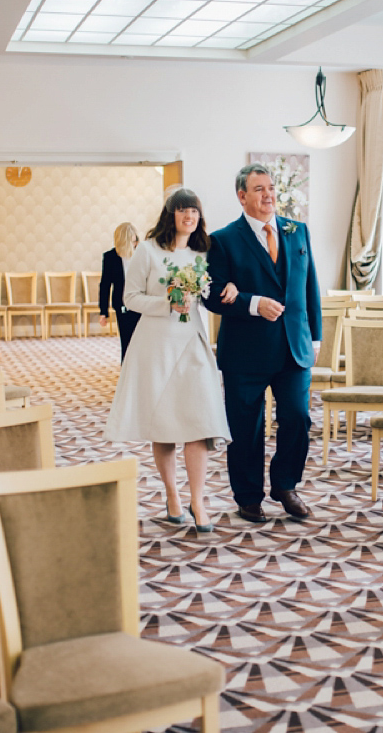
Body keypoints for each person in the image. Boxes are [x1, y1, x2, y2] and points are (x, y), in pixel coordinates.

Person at [103, 189, 231, 531]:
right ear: (170, 214)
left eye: (195, 211)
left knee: (200, 421)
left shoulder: (204, 252)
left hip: (193, 342)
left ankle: (199, 500)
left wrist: (229, 288)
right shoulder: (147, 250)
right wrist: (166, 304)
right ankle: (173, 494)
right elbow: (130, 298)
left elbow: (213, 292)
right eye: (183, 210)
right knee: (165, 424)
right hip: (156, 345)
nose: (189, 216)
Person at [203, 164, 323, 524]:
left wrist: (315, 336)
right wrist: (253, 304)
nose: (268, 194)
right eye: (259, 189)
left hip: (293, 348)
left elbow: (309, 286)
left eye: (271, 188)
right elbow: (210, 295)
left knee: (297, 419)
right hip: (246, 351)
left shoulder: (297, 231)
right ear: (242, 196)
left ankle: (286, 486)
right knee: (246, 427)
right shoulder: (223, 240)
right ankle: (248, 496)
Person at [99, 221, 141, 360]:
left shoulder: (140, 254)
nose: (135, 244)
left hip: (142, 303)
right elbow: (105, 285)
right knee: (127, 340)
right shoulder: (110, 257)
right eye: (133, 241)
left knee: (141, 340)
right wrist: (103, 312)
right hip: (122, 305)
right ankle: (127, 373)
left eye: (136, 241)